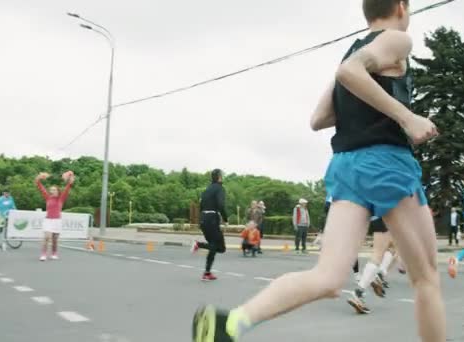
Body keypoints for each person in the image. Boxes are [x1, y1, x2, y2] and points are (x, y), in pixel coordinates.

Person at [191, 1, 446, 341]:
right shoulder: (397, 40)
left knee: (327, 277)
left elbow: (319, 118)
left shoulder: (350, 51)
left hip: (345, 167)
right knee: (427, 278)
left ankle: (232, 323)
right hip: (385, 164)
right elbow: (350, 74)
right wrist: (407, 117)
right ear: (401, 6)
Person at [347, 217, 396, 314]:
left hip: (376, 216)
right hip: (391, 216)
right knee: (393, 247)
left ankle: (359, 292)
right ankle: (379, 274)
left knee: (378, 253)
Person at [190, 169, 228, 281]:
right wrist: (225, 219)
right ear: (220, 177)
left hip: (203, 219)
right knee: (220, 248)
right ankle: (198, 244)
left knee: (213, 245)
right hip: (211, 219)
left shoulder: (206, 190)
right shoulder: (220, 188)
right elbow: (221, 204)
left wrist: (202, 219)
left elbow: (201, 205)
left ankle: (207, 273)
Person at [35, 171, 75, 261]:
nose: (51, 191)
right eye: (51, 190)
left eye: (53, 190)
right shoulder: (47, 197)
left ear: (57, 191)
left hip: (57, 221)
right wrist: (40, 177)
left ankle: (54, 253)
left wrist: (70, 175)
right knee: (46, 237)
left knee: (55, 239)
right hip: (48, 220)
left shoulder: (61, 198)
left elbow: (69, 185)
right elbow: (38, 184)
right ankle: (43, 254)